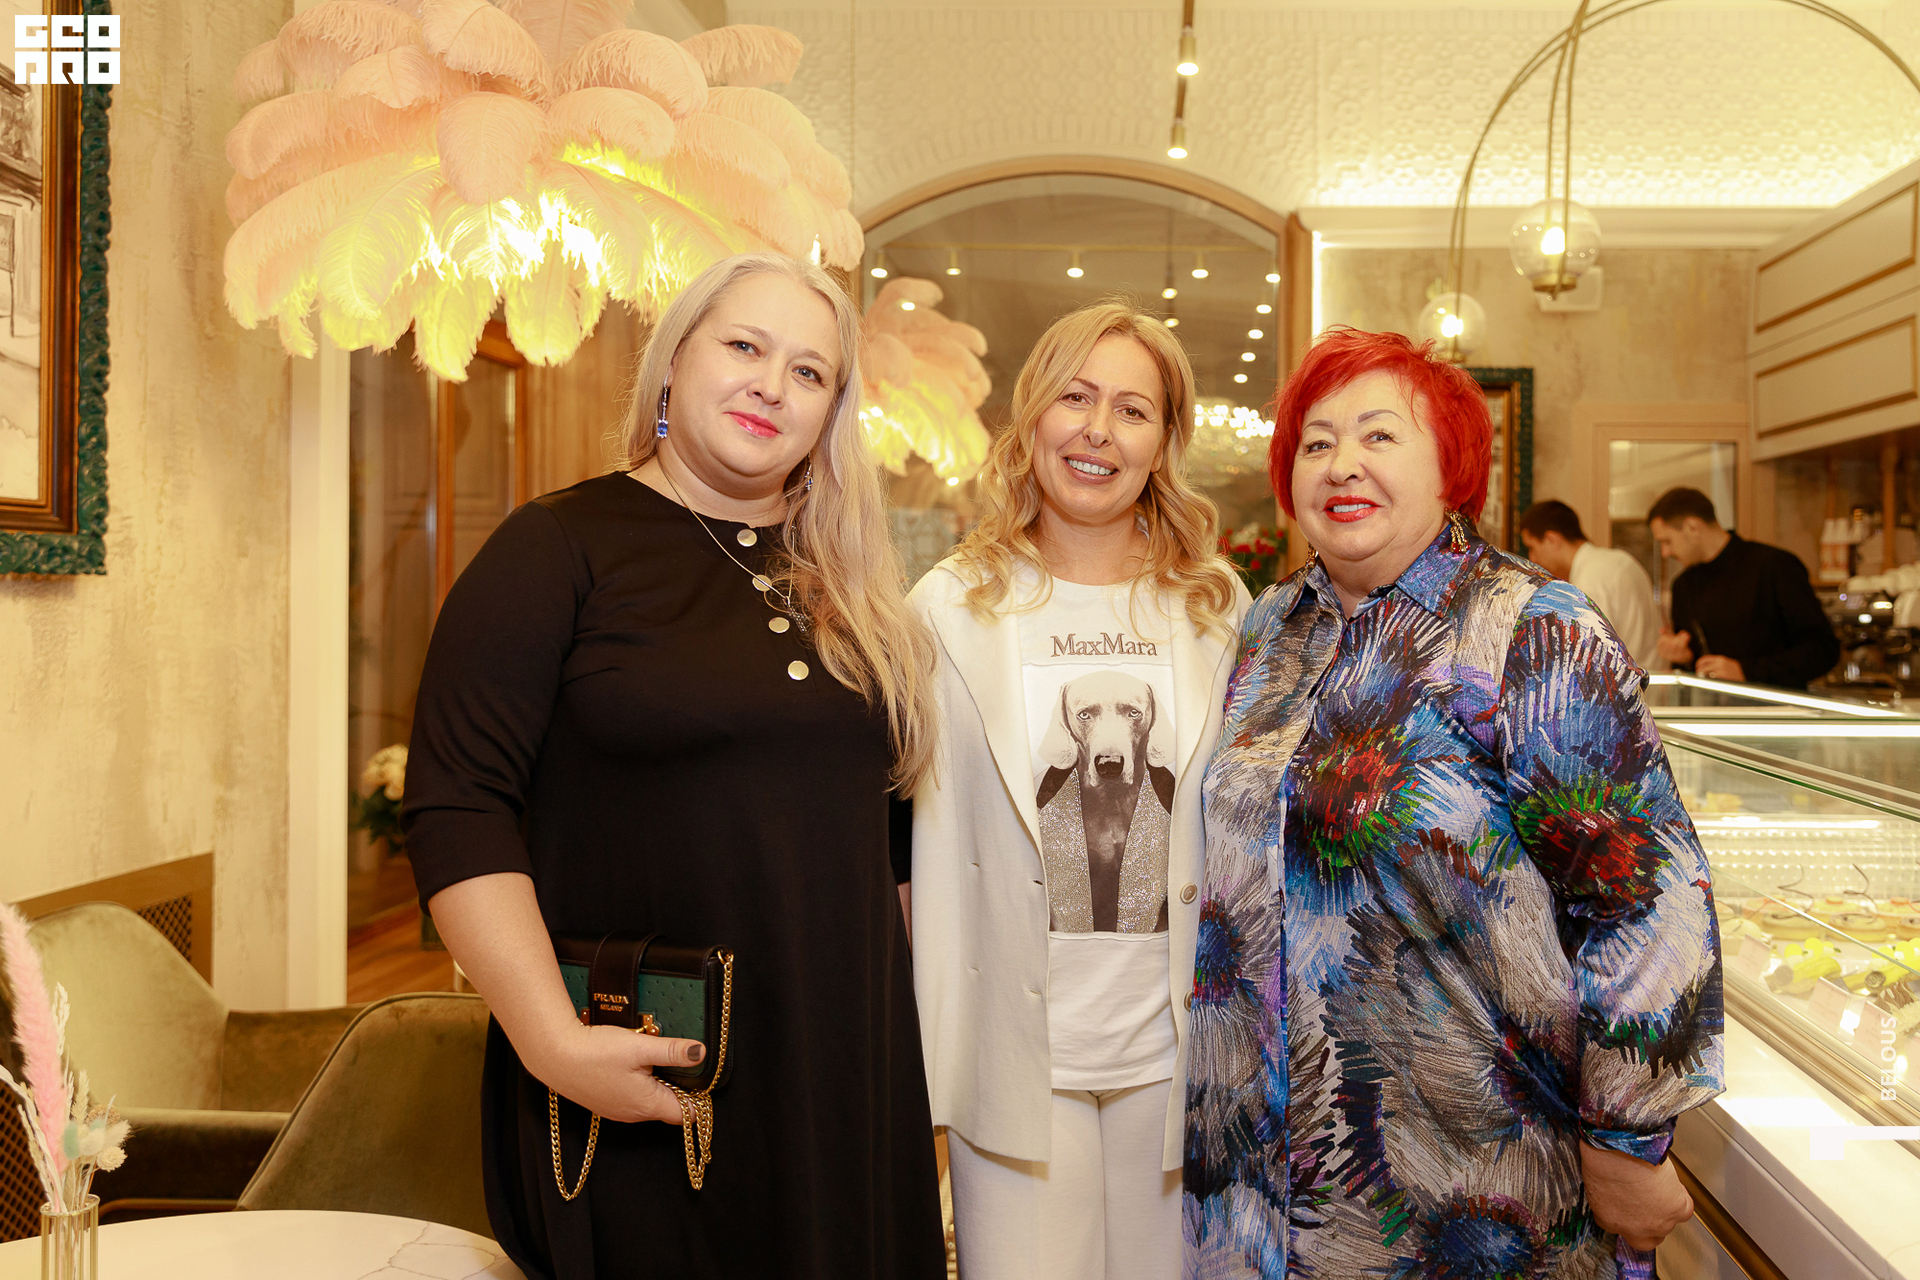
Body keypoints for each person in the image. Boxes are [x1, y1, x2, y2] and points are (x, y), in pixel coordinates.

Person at [402, 253, 947, 1279]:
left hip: (843, 1073)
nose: (770, 385)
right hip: (647, 1071)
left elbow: (889, 840)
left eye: (809, 372)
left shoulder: (852, 585)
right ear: (673, 361)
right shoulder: (557, 548)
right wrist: (553, 1042)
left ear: (831, 413)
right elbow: (457, 807)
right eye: (744, 346)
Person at [1184, 328, 1723, 1279]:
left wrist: (1626, 1137)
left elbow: (1646, 900)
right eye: (1316, 442)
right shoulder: (1273, 626)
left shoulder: (1530, 630)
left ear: (1452, 467)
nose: (1341, 464)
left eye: (1379, 435)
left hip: (1470, 1182)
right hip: (1257, 1184)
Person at [906, 302, 1252, 1279]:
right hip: (1014, 1053)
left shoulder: (1216, 607)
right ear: (1033, 416)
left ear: (1163, 442)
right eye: (1076, 397)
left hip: (1176, 1052)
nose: (1099, 430)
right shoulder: (947, 605)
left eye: (1132, 410)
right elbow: (900, 830)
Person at [1648, 486, 1840, 688]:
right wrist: (1684, 658)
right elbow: (1700, 666)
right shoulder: (1683, 585)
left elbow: (1824, 650)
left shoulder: (1773, 565)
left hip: (1779, 705)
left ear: (1692, 527)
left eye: (1667, 541)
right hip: (1712, 707)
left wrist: (1746, 671)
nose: (1665, 553)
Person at [1518, 498, 1662, 669]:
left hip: (1631, 682)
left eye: (1532, 547)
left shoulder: (1590, 577)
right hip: (1650, 677)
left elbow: (1591, 660)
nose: (1532, 558)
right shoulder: (1618, 560)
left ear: (1551, 540)